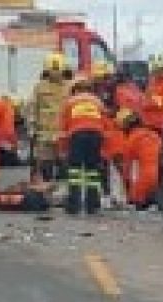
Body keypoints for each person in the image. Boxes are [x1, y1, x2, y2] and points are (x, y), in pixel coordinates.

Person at [59, 78, 111, 214]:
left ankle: (73, 206)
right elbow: (107, 125)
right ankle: (92, 205)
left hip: (77, 135)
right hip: (96, 136)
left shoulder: (70, 103)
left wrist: (63, 150)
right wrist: (105, 149)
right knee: (92, 171)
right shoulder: (98, 102)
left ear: (74, 89)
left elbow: (63, 128)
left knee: (75, 171)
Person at [30, 53, 70, 182]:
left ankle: (62, 191)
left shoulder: (70, 87)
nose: (56, 74)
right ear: (47, 70)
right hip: (45, 134)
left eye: (58, 71)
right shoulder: (39, 87)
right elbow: (32, 108)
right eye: (53, 71)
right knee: (46, 165)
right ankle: (47, 189)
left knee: (64, 165)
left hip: (63, 134)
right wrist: (31, 128)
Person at [118, 109, 163, 209]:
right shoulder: (154, 135)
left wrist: (126, 184)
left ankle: (145, 199)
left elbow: (127, 166)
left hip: (146, 181)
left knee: (138, 202)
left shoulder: (132, 139)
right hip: (162, 178)